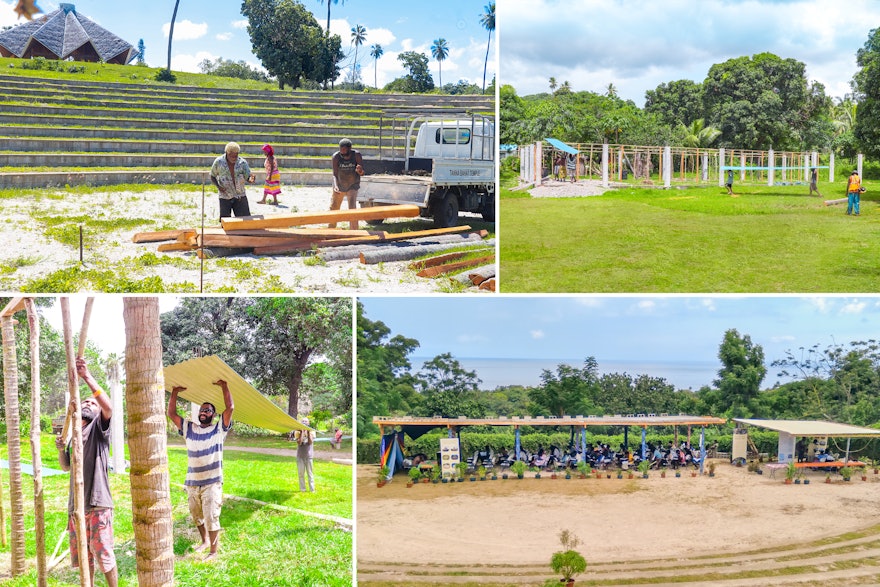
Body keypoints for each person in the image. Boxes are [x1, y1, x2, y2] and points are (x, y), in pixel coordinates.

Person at [56, 358, 117, 587]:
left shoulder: (99, 428)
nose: (89, 404)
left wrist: (87, 377)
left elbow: (108, 407)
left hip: (98, 502)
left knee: (104, 556)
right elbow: (66, 467)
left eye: (93, 403)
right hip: (76, 506)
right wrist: (62, 450)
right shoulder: (73, 434)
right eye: (85, 403)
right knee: (84, 556)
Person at [167, 380, 234, 559]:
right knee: (196, 515)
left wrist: (224, 386)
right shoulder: (189, 428)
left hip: (212, 481)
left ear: (213, 415)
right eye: (202, 410)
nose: (204, 412)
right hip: (192, 482)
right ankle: (204, 541)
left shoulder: (219, 429)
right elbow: (171, 413)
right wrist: (174, 392)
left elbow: (230, 408)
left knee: (211, 515)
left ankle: (213, 551)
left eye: (208, 410)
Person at [210, 142, 255, 221]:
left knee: (246, 221)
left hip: (240, 195)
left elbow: (248, 176)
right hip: (225, 195)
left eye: (236, 155)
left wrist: (251, 179)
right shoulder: (219, 162)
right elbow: (212, 175)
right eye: (232, 155)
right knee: (225, 222)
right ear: (227, 152)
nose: (234, 157)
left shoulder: (242, 163)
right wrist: (218, 187)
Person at [330, 138, 365, 230]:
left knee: (352, 209)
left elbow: (362, 173)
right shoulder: (336, 157)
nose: (342, 152)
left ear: (350, 149)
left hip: (353, 185)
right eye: (341, 150)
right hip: (340, 185)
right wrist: (335, 186)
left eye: (344, 150)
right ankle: (330, 230)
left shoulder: (357, 155)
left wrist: (360, 171)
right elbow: (334, 174)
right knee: (334, 208)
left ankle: (354, 232)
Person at [294, 418, 316, 492]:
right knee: (301, 474)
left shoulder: (312, 431)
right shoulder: (297, 432)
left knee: (310, 474)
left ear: (308, 423)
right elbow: (299, 442)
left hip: (309, 456)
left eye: (306, 421)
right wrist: (302, 433)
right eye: (303, 421)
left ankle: (312, 490)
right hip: (300, 456)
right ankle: (302, 489)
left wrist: (308, 432)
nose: (304, 422)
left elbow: (310, 442)